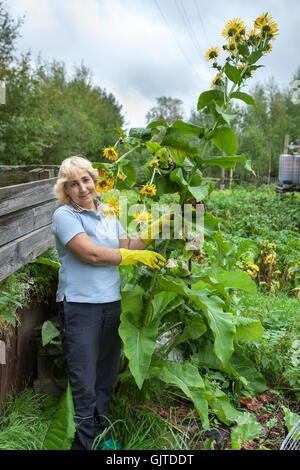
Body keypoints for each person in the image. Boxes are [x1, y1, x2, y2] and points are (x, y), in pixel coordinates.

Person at [52, 155, 168, 451]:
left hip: (110, 305)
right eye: (73, 184)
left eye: (86, 180)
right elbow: (90, 254)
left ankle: (101, 436)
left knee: (105, 375)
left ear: (95, 181)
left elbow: (126, 246)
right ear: (65, 190)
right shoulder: (65, 216)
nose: (81, 188)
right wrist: (132, 257)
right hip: (80, 307)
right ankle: (84, 443)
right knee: (84, 377)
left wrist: (155, 229)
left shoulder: (107, 212)